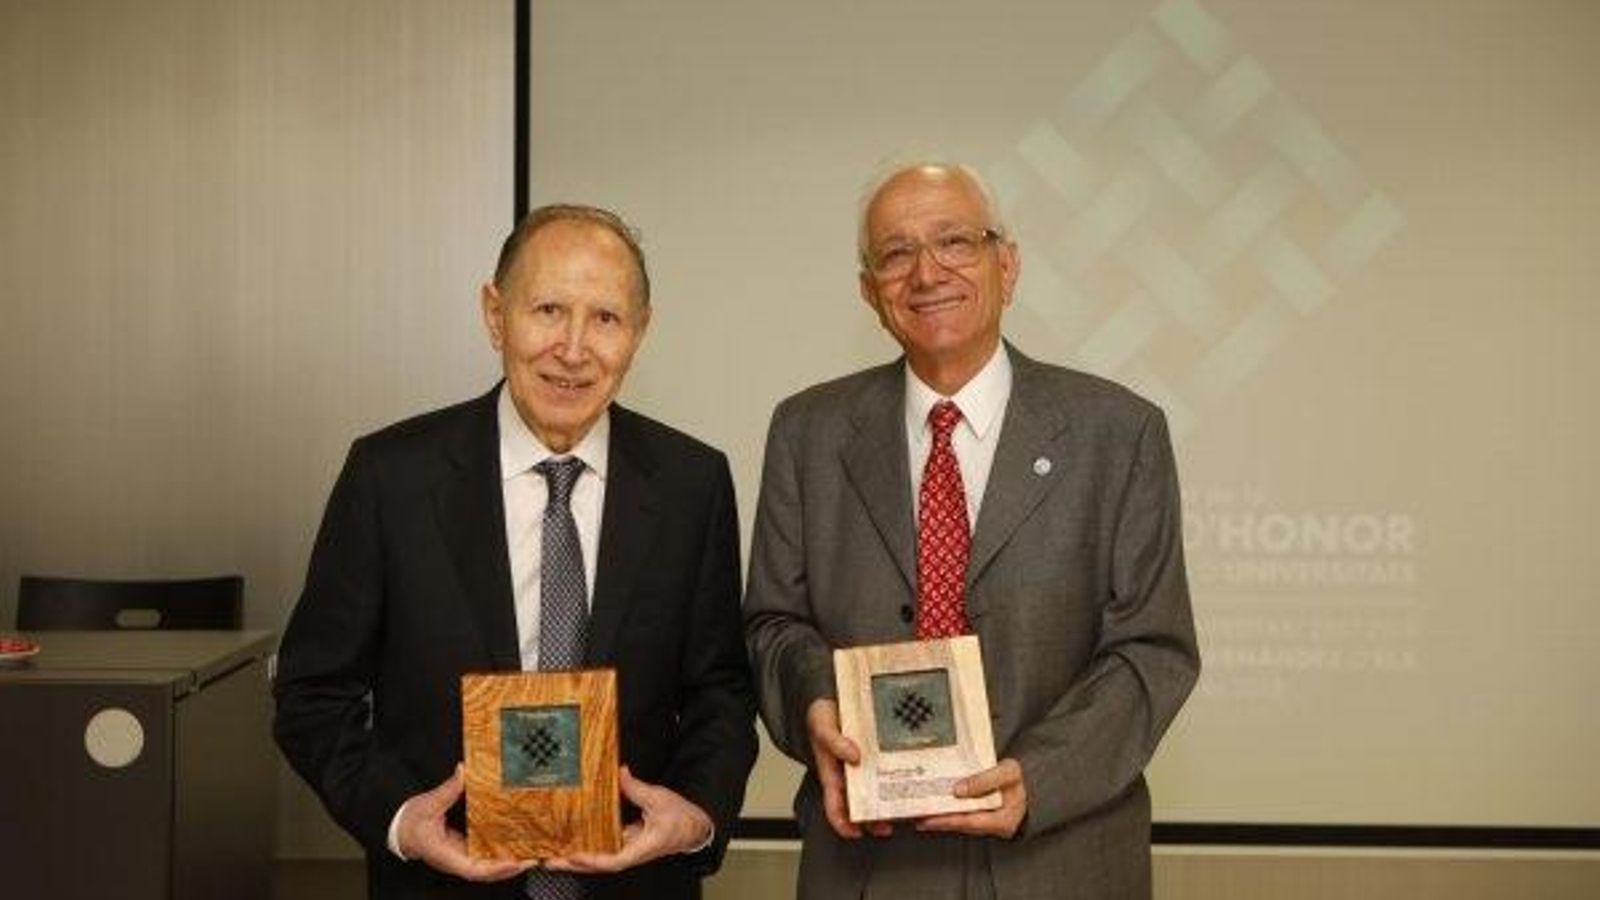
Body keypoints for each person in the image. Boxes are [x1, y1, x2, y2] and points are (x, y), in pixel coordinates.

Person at [744, 163, 1200, 899]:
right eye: (895, 254)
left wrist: (1039, 776)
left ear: (1007, 265)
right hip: (866, 862)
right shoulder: (807, 432)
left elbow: (1153, 649)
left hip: (1060, 857)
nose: (927, 272)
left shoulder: (1119, 433)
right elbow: (772, 624)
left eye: (955, 241)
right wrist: (816, 701)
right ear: (870, 291)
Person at [275, 204, 757, 899]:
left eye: (606, 319)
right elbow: (312, 692)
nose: (573, 347)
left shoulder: (693, 483)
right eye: (549, 310)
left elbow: (720, 687)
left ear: (641, 332)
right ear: (495, 315)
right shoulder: (392, 478)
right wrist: (403, 818)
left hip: (636, 883)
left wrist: (695, 813)